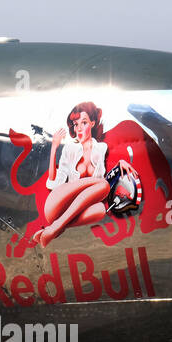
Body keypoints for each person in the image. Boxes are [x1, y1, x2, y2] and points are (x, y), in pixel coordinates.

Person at [36, 102, 133, 247]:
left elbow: (100, 189)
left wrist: (119, 164)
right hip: (56, 204)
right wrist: (54, 148)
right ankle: (55, 227)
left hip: (72, 213)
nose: (79, 128)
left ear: (92, 123)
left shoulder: (101, 148)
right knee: (103, 184)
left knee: (100, 209)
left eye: (84, 122)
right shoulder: (70, 148)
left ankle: (54, 228)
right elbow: (54, 183)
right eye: (76, 124)